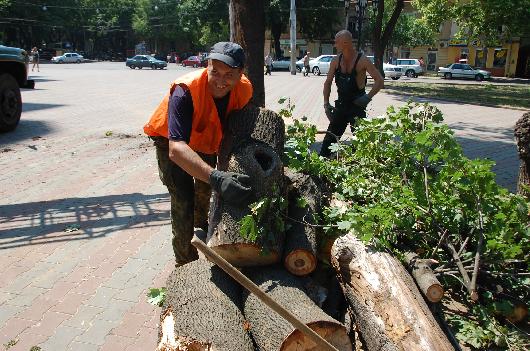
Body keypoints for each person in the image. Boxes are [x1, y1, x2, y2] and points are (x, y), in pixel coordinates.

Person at [144, 42, 254, 266]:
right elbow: (177, 149)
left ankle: (203, 225)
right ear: (208, 66)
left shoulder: (244, 89)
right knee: (183, 198)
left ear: (241, 73)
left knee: (205, 188)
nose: (221, 81)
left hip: (203, 138)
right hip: (170, 142)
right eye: (215, 72)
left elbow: (236, 129)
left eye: (229, 75)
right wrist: (217, 177)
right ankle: (185, 263)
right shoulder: (185, 90)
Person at [320, 30, 384, 158]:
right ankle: (322, 163)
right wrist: (326, 105)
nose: (334, 45)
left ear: (345, 43)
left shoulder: (363, 60)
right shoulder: (335, 61)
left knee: (360, 144)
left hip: (357, 106)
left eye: (336, 42)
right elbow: (327, 83)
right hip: (341, 106)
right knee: (328, 142)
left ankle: (359, 166)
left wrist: (367, 97)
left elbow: (379, 81)